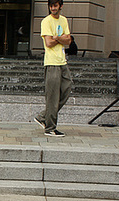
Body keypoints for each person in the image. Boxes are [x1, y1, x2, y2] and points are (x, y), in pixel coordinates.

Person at [34, 0, 72, 137]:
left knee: (67, 88)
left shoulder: (64, 20)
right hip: (52, 62)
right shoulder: (46, 21)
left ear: (60, 6)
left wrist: (57, 37)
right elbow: (49, 42)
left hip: (62, 61)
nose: (53, 8)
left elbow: (69, 41)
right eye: (51, 6)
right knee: (52, 96)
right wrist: (60, 38)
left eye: (55, 5)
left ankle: (43, 116)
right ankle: (50, 128)